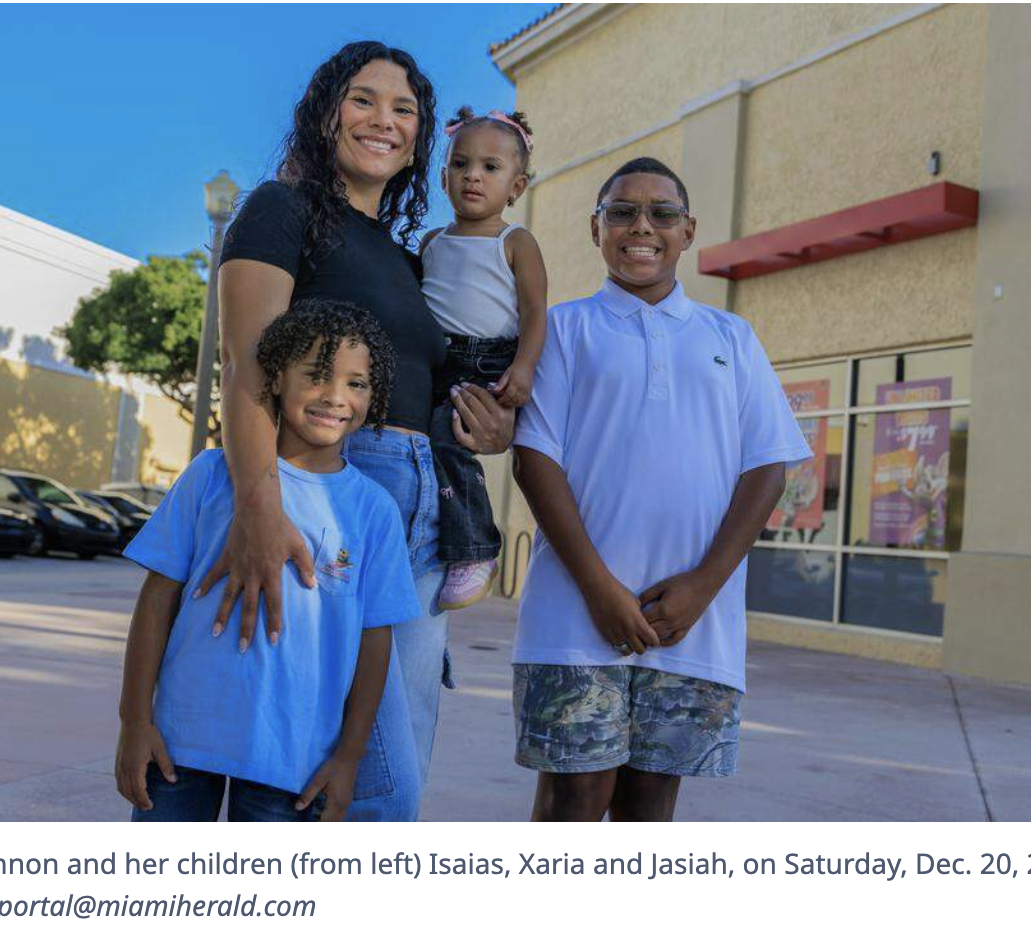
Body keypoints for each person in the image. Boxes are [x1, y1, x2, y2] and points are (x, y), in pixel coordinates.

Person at [204, 41, 516, 819]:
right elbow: (249, 372)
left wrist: (488, 426)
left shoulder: (411, 262)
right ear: (325, 112)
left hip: (422, 506)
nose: (385, 120)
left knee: (402, 737)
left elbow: (429, 388)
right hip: (329, 493)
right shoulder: (282, 210)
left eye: (404, 108)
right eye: (364, 99)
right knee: (354, 767)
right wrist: (259, 508)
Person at [511, 157, 813, 822]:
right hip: (573, 617)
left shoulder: (730, 337)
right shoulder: (562, 329)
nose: (640, 226)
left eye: (661, 213)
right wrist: (599, 589)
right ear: (596, 228)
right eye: (621, 211)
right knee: (572, 800)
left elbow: (767, 466)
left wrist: (705, 583)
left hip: (694, 625)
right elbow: (534, 459)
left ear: (688, 230)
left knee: (651, 804)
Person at [115, 299, 418, 821]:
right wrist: (134, 720)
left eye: (357, 383)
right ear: (276, 378)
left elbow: (375, 640)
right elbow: (157, 599)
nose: (335, 396)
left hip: (293, 763)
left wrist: (348, 757)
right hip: (178, 746)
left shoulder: (373, 510)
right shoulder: (211, 474)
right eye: (316, 375)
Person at [420, 105, 548, 610]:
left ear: (516, 186)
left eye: (491, 168)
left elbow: (537, 312)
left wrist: (525, 367)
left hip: (486, 360)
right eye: (460, 164)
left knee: (448, 442)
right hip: (434, 359)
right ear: (444, 177)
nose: (473, 175)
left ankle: (475, 549)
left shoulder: (514, 242)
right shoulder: (432, 241)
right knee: (420, 445)